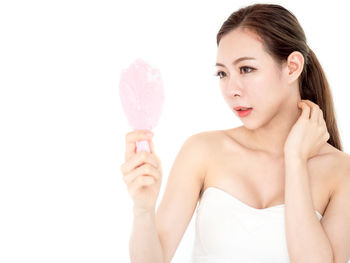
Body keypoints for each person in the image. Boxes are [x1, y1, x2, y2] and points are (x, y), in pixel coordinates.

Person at [120, 3, 350, 263]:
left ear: (293, 67)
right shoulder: (203, 150)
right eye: (222, 73)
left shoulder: (341, 172)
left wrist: (295, 159)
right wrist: (143, 209)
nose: (231, 89)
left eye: (246, 69)